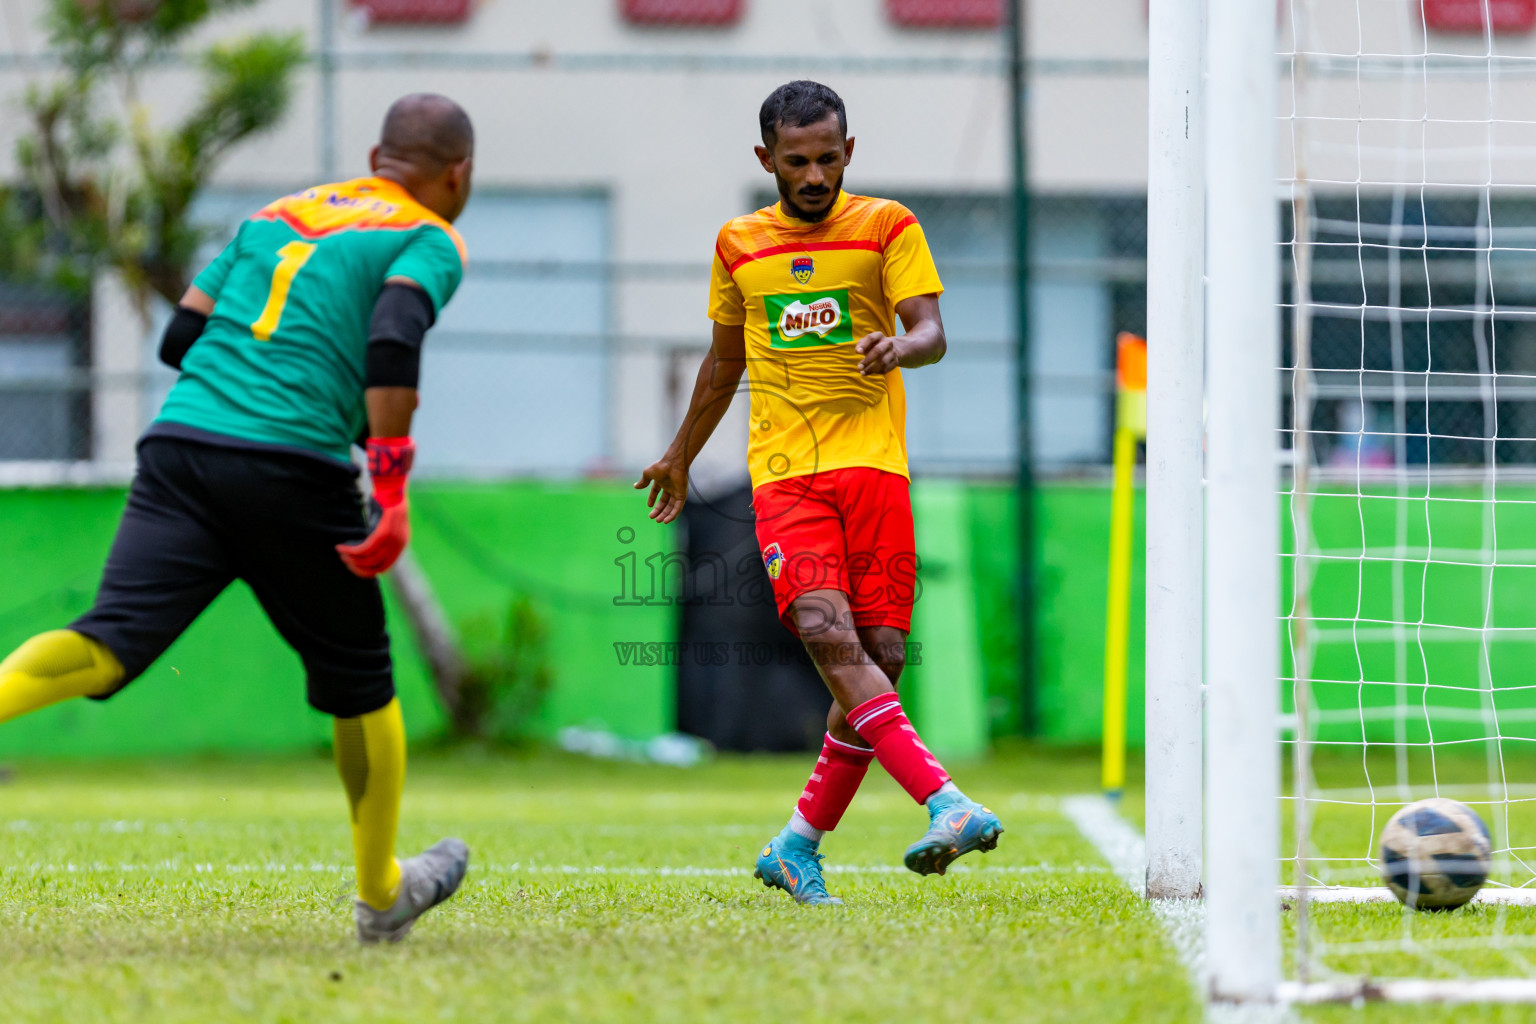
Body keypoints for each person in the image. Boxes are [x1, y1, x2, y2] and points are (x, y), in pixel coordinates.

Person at [0, 94, 475, 942]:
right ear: (457, 173)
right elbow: (394, 336)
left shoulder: (274, 216)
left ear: (375, 154)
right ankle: (381, 893)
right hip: (292, 464)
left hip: (182, 446)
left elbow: (182, 335)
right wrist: (390, 482)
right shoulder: (427, 236)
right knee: (360, 680)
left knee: (108, 644)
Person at [635, 80, 1003, 905]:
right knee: (824, 632)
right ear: (766, 158)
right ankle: (944, 800)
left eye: (828, 159)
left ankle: (798, 844)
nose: (813, 175)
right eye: (796, 161)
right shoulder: (739, 244)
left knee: (880, 662)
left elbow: (933, 330)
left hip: (875, 468)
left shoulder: (886, 225)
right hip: (787, 475)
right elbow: (724, 361)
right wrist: (679, 455)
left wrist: (901, 346)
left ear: (849, 153)